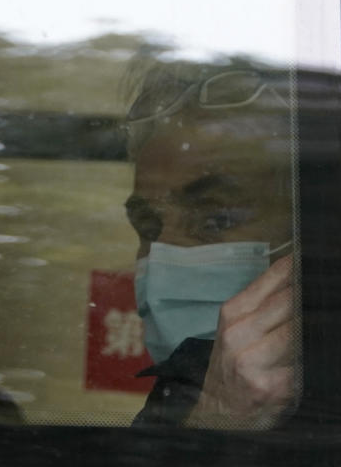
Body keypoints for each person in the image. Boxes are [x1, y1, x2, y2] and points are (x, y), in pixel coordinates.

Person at [124, 58, 301, 428]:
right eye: (149, 227)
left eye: (216, 219)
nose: (164, 255)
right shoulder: (172, 401)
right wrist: (220, 420)